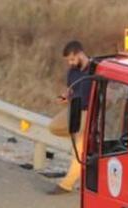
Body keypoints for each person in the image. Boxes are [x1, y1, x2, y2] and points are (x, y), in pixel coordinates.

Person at [49, 40, 92, 195]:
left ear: (80, 54)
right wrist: (64, 97)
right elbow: (70, 90)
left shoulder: (95, 69)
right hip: (73, 107)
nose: (70, 62)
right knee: (53, 126)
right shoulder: (72, 71)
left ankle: (66, 184)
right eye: (68, 60)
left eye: (72, 59)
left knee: (79, 149)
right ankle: (86, 140)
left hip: (88, 110)